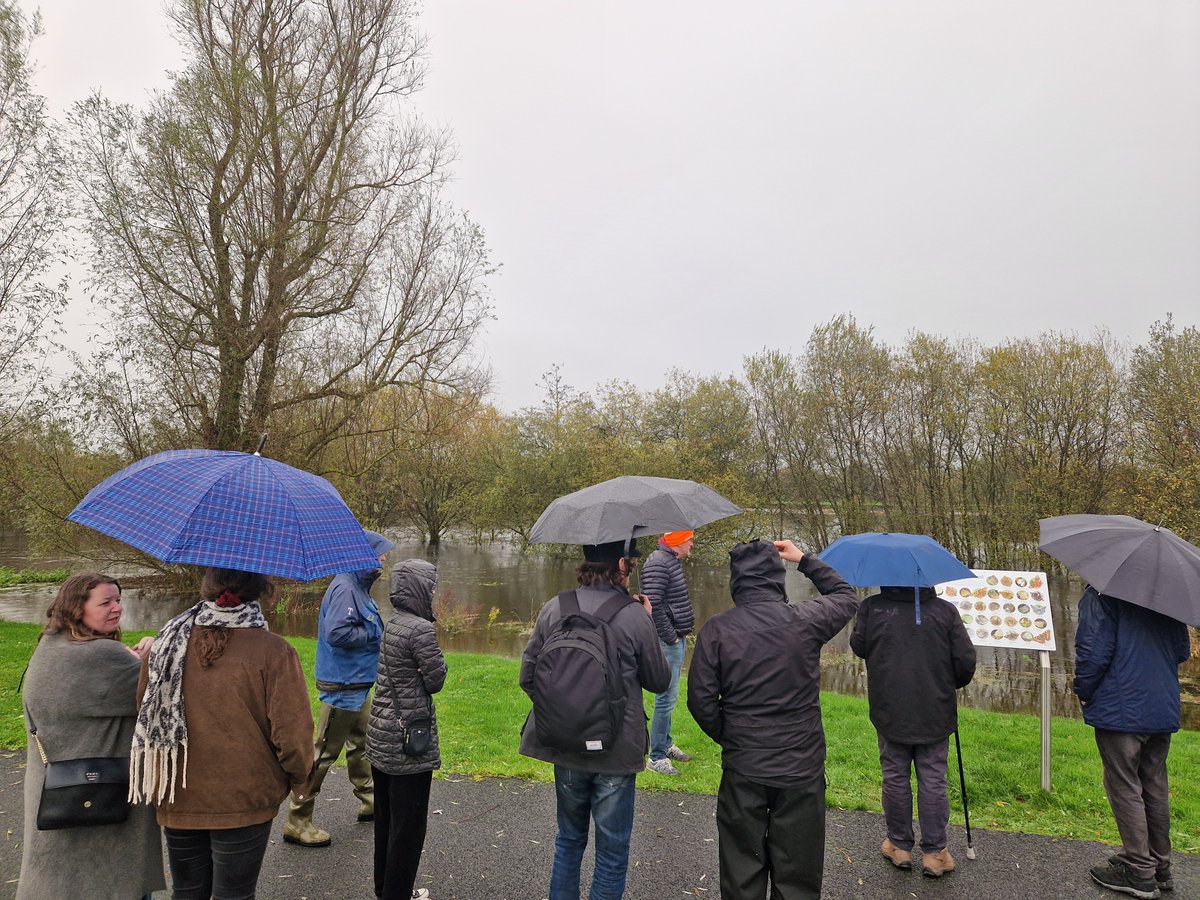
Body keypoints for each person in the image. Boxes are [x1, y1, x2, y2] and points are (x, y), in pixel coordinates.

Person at [686, 539, 858, 900]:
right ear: (776, 578)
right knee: (797, 871)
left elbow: (701, 701)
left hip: (745, 764)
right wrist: (805, 560)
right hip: (801, 765)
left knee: (741, 868)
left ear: (737, 581)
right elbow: (845, 595)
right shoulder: (805, 620)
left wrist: (733, 736)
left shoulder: (718, 630)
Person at [131, 567, 315, 900]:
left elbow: (142, 708)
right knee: (235, 895)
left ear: (207, 588)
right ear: (261, 590)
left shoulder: (166, 643)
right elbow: (292, 735)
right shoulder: (274, 651)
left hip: (178, 791)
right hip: (244, 795)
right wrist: (301, 780)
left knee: (187, 892)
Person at [519, 539, 671, 900]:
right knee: (613, 851)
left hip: (565, 745)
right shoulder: (634, 615)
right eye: (630, 560)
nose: (632, 565)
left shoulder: (555, 607)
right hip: (616, 751)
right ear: (620, 564)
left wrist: (566, 712)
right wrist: (648, 622)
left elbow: (529, 676)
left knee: (568, 841)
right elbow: (659, 680)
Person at [17, 573, 165, 900]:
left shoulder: (51, 646)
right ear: (76, 608)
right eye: (105, 602)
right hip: (101, 793)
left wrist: (131, 661)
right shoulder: (100, 656)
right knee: (113, 884)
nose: (117, 609)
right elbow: (155, 693)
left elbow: (103, 687)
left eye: (118, 600)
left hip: (57, 789)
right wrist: (154, 653)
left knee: (60, 885)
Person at [849, 583, 976, 877]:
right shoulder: (945, 611)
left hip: (889, 707)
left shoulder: (872, 607)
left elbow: (859, 647)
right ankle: (935, 853)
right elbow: (965, 661)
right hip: (935, 707)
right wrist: (947, 683)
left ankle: (899, 846)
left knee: (894, 774)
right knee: (933, 777)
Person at [1074, 585, 1191, 899]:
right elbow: (1182, 651)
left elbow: (1092, 652)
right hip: (1161, 704)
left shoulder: (1101, 595)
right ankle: (1160, 866)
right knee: (1153, 783)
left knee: (1124, 784)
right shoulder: (1168, 599)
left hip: (1121, 707)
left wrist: (1083, 691)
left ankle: (1138, 869)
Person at [286, 529, 395, 847]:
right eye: (380, 554)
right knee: (322, 754)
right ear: (363, 555)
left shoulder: (358, 586)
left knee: (362, 743)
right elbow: (337, 633)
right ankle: (298, 819)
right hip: (343, 686)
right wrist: (374, 636)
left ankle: (371, 801)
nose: (384, 559)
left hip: (358, 683)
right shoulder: (345, 588)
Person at [367, 559, 447, 900]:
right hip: (407, 742)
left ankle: (385, 887)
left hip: (381, 735)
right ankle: (398, 894)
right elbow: (436, 679)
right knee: (409, 828)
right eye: (431, 587)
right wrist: (431, 663)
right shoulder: (421, 630)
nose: (433, 593)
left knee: (386, 821)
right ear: (420, 589)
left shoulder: (394, 622)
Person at [643, 529, 697, 776]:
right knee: (665, 698)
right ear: (677, 543)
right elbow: (652, 605)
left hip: (677, 637)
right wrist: (671, 637)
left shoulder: (669, 560)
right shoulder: (658, 562)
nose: (692, 545)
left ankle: (664, 743)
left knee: (671, 696)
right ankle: (656, 758)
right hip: (669, 641)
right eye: (689, 541)